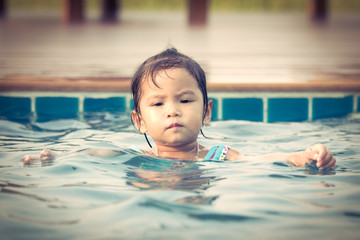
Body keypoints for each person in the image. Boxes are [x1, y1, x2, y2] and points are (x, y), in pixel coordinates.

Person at [22, 48, 336, 169]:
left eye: (185, 100)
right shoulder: (139, 156)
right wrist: (57, 157)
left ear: (207, 111)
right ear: (139, 120)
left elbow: (262, 159)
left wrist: (301, 156)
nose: (172, 110)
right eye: (158, 104)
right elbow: (96, 152)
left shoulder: (220, 155)